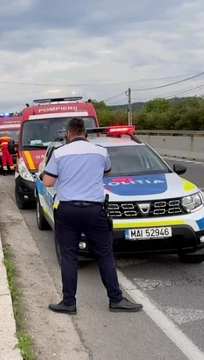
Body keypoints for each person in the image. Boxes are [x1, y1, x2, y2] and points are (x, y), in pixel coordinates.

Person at [40, 117, 142, 314]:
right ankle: (116, 300)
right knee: (104, 256)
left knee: (69, 256)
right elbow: (107, 170)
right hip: (94, 210)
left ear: (68, 134)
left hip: (67, 210)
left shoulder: (60, 153)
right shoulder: (100, 152)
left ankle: (69, 303)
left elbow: (47, 182)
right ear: (85, 133)